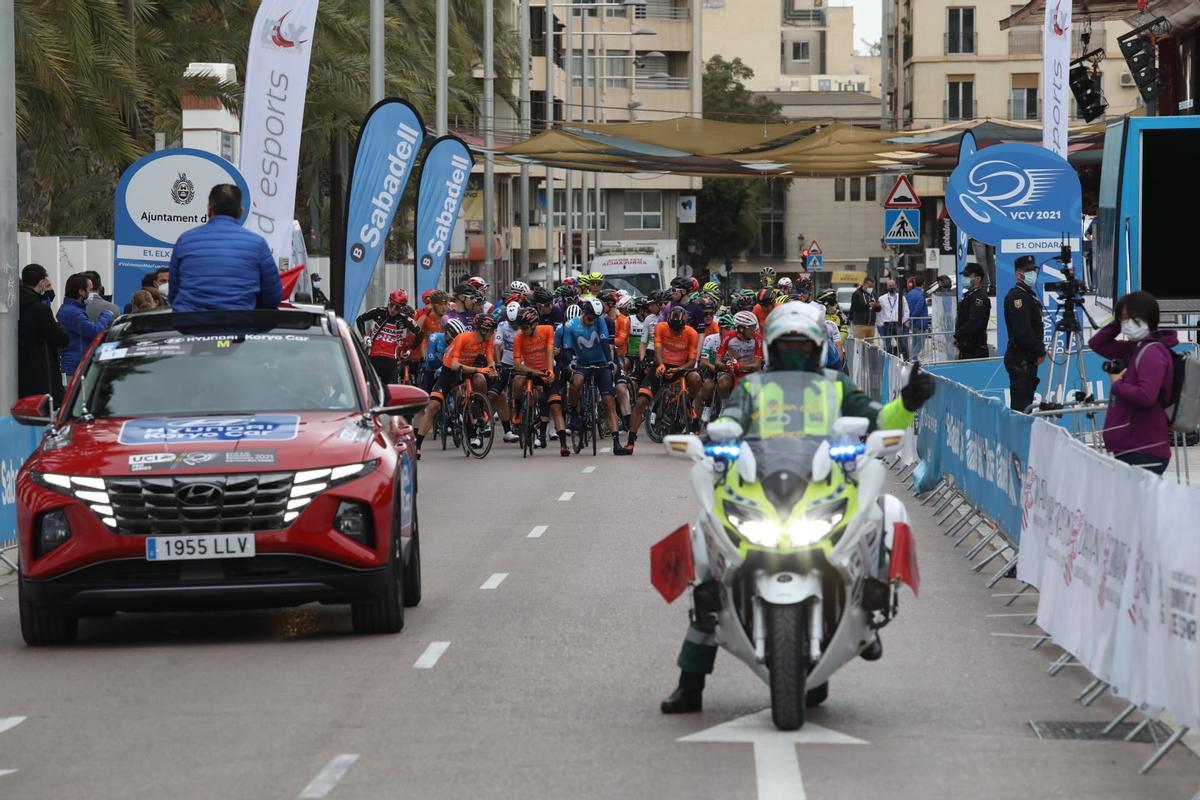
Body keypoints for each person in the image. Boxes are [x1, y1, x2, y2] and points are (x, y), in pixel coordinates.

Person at [660, 302, 936, 714]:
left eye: (801, 346)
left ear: (817, 348)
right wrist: (717, 440)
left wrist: (909, 402)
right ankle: (690, 682)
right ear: (772, 348)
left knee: (882, 513)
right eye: (786, 346)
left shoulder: (837, 386)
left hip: (824, 487)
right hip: (762, 489)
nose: (794, 354)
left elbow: (879, 421)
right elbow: (730, 422)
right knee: (708, 566)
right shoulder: (752, 388)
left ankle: (871, 602)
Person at [1088, 292, 1178, 474]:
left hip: (1145, 449)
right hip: (1131, 447)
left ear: (1148, 317)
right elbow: (1097, 343)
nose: (1127, 323)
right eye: (1123, 319)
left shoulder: (1153, 352)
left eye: (1132, 318)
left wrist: (1117, 384)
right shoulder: (1133, 348)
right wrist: (1118, 322)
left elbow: (1146, 395)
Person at [168, 183, 282, 312]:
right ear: (241, 212)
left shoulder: (185, 240)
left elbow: (173, 294)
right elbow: (272, 298)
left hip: (189, 321)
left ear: (209, 208)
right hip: (238, 321)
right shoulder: (258, 243)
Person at [619, 306, 701, 454]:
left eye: (678, 329)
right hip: (661, 364)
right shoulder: (660, 327)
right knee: (641, 401)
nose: (675, 332)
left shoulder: (692, 333)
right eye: (672, 328)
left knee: (695, 378)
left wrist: (678, 369)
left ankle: (688, 404)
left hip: (681, 368)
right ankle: (630, 442)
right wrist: (661, 364)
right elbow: (657, 349)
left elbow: (692, 361)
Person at [562, 298, 623, 455]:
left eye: (595, 319)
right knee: (577, 381)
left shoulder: (600, 320)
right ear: (584, 313)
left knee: (609, 401)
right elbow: (567, 348)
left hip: (601, 363)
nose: (593, 322)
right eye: (590, 318)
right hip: (582, 363)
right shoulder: (570, 325)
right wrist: (571, 363)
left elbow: (604, 342)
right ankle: (573, 412)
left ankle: (616, 442)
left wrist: (610, 362)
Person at [512, 307, 563, 450]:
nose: (523, 330)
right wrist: (535, 372)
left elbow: (550, 350)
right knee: (517, 379)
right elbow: (517, 364)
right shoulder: (519, 337)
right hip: (530, 369)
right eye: (521, 327)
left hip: (544, 368)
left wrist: (549, 370)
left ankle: (542, 430)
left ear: (534, 324)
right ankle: (517, 408)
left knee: (543, 394)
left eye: (525, 327)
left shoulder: (547, 329)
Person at [17, 263, 68, 404]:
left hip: (21, 370)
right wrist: (58, 325)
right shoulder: (40, 309)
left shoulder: (16, 305)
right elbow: (61, 338)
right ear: (41, 282)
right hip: (42, 371)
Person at [1003, 256, 1046, 412]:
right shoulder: (1018, 297)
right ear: (1018, 274)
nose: (1032, 273)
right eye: (1028, 271)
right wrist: (1039, 350)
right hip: (1020, 358)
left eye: (1033, 270)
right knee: (1021, 406)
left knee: (1027, 400)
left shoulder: (1028, 296)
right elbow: (1023, 331)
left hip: (1027, 358)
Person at [57, 272, 113, 386]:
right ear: (81, 292)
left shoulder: (74, 309)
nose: (93, 294)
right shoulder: (73, 313)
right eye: (90, 290)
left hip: (76, 364)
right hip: (74, 367)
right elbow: (95, 331)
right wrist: (106, 315)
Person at [357, 290, 424, 385]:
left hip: (391, 361)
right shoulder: (378, 311)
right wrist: (365, 336)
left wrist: (410, 350)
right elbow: (359, 319)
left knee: (392, 391)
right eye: (391, 305)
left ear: (402, 308)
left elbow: (421, 335)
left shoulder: (404, 319)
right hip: (373, 357)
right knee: (366, 387)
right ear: (388, 301)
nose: (392, 309)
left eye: (397, 307)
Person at [954, 264, 990, 359]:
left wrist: (958, 336)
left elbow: (973, 321)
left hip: (975, 347)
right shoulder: (969, 295)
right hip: (966, 346)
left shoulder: (979, 297)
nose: (965, 279)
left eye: (968, 276)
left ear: (978, 279)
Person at [876, 279, 909, 358]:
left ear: (896, 286)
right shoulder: (882, 299)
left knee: (902, 345)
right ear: (887, 287)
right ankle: (889, 360)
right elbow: (879, 313)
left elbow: (906, 311)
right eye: (890, 286)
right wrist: (881, 323)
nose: (892, 287)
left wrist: (902, 321)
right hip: (887, 325)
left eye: (893, 285)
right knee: (887, 345)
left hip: (898, 324)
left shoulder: (901, 298)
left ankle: (906, 360)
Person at [905, 276, 929, 360]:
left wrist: (909, 320)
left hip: (913, 323)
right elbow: (918, 309)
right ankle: (911, 358)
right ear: (923, 283)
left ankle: (913, 360)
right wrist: (911, 320)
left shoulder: (909, 294)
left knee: (915, 342)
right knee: (920, 343)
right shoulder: (921, 295)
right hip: (920, 322)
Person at [849, 277, 878, 341]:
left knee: (870, 345)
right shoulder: (857, 294)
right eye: (869, 286)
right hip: (859, 325)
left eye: (873, 287)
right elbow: (855, 308)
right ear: (864, 284)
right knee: (859, 345)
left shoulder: (873, 294)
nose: (871, 288)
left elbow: (877, 309)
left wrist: (877, 306)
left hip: (871, 325)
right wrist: (868, 305)